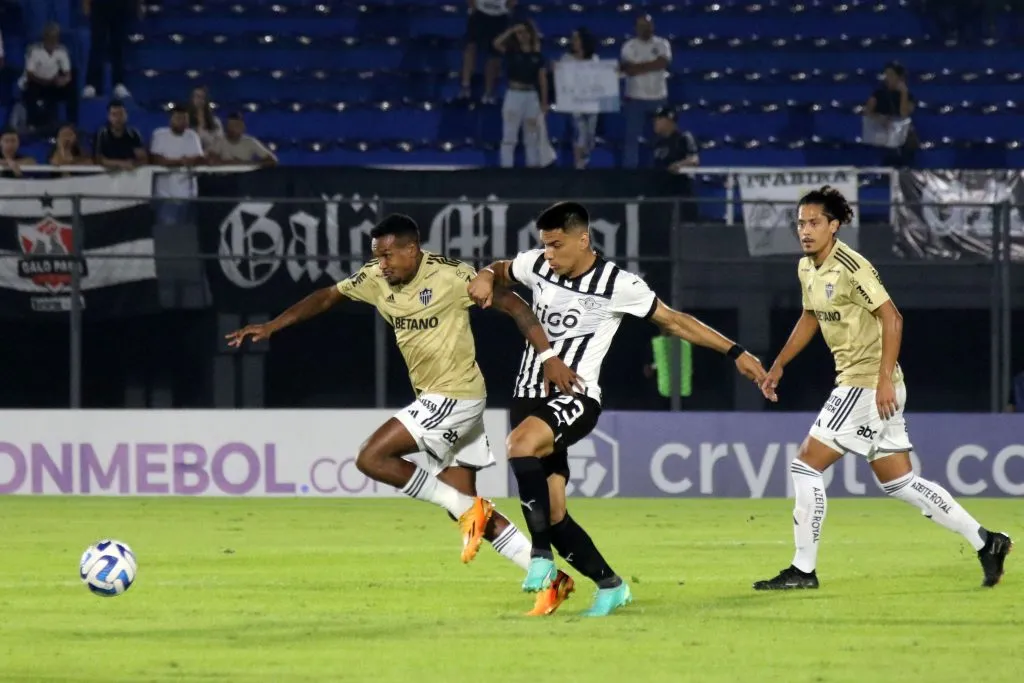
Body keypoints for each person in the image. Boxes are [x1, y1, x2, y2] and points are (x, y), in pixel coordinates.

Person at [226, 214, 582, 577]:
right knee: (461, 506)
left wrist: (548, 356)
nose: (382, 265)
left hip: (454, 395)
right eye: (377, 256)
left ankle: (481, 519)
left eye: (387, 256)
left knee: (371, 457)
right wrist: (273, 326)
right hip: (448, 398)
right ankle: (550, 577)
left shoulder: (451, 276)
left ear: (411, 250)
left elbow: (516, 306)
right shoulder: (375, 278)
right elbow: (327, 296)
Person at [468, 201, 768, 616]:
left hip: (576, 396)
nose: (549, 254)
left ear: (582, 240)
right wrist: (485, 275)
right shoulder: (537, 264)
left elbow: (675, 322)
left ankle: (539, 556)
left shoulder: (619, 284)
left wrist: (735, 351)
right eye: (545, 246)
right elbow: (502, 268)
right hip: (527, 395)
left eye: (557, 246)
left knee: (519, 445)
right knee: (555, 516)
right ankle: (611, 586)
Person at [753, 186, 1012, 591]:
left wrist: (883, 379)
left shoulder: (852, 267)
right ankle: (987, 542)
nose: (805, 230)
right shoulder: (807, 268)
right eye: (801, 223)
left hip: (866, 384)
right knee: (900, 483)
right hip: (870, 386)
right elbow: (810, 316)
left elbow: (893, 318)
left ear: (834, 226)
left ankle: (803, 570)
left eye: (814, 223)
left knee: (805, 465)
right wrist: (780, 363)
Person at [493, 20, 548, 168]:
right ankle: (506, 169)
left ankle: (532, 169)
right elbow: (497, 43)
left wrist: (544, 101)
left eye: (525, 32)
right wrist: (510, 30)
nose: (522, 35)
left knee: (531, 136)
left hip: (531, 96)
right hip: (514, 95)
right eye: (519, 33)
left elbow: (542, 80)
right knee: (509, 136)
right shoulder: (511, 52)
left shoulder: (537, 55)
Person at [561, 28, 599, 169]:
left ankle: (586, 160)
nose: (574, 42)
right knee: (579, 133)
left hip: (591, 103)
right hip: (575, 103)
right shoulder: (566, 59)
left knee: (590, 135)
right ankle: (578, 165)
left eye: (576, 38)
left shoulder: (594, 59)